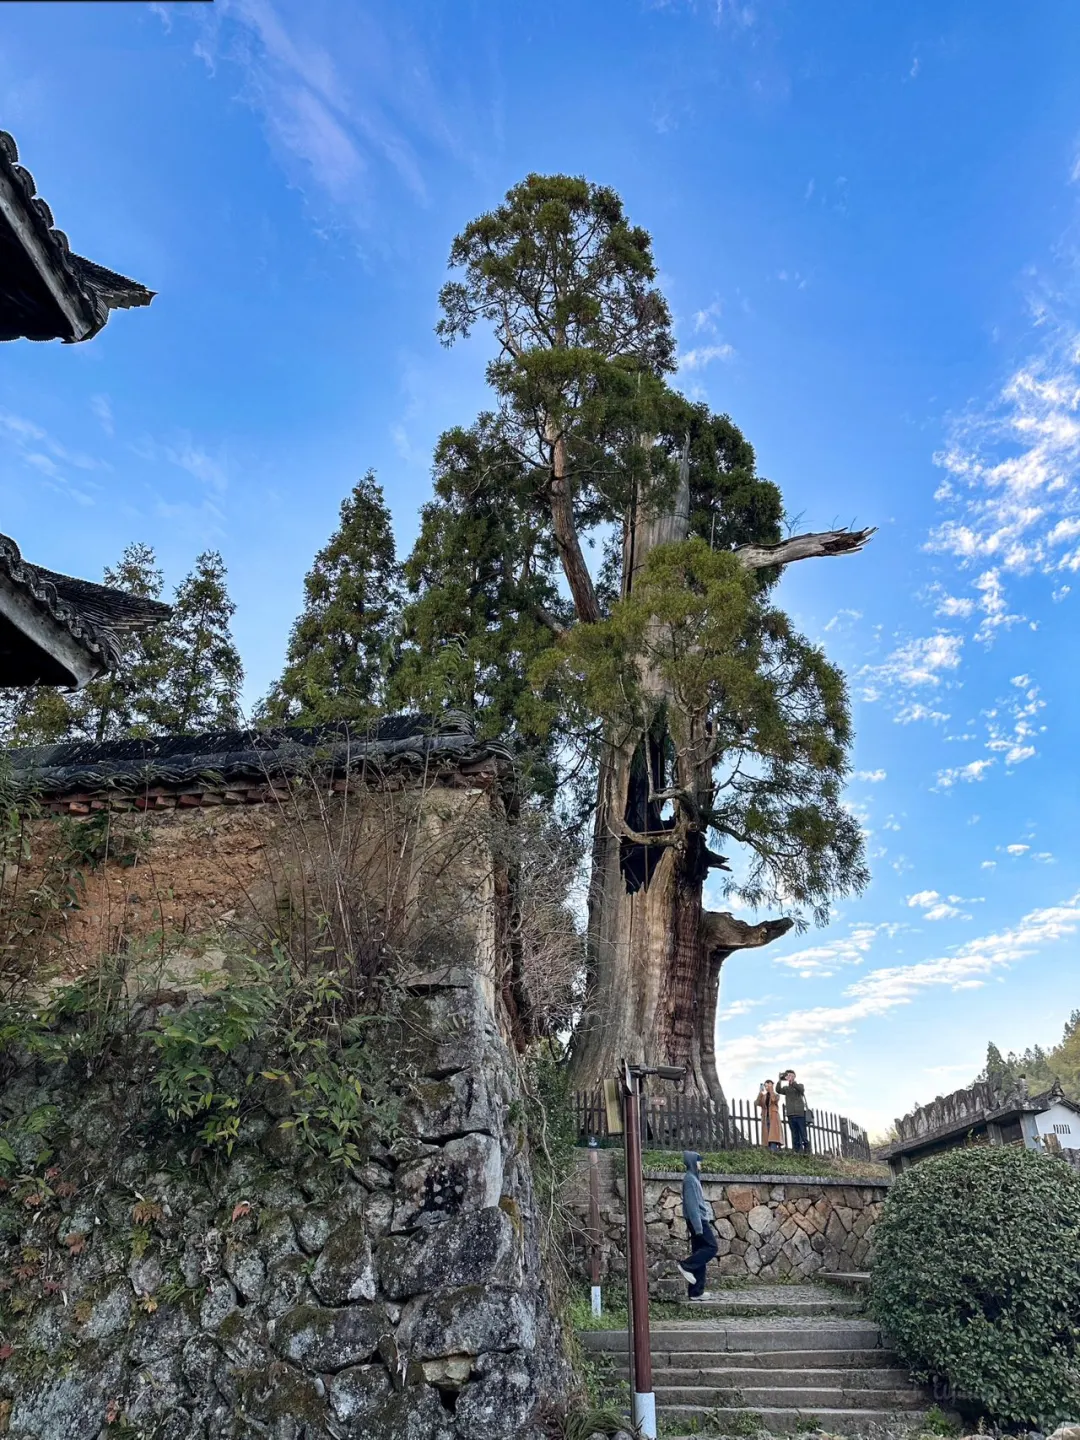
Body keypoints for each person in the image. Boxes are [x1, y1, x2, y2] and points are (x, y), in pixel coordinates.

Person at [676, 1150, 717, 1300]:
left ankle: (696, 1292)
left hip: (698, 1220)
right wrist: (698, 1226)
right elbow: (692, 1205)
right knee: (711, 1247)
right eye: (699, 1161)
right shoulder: (690, 1180)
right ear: (693, 1162)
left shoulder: (693, 1178)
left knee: (700, 1251)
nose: (701, 1164)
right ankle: (686, 1265)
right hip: (698, 1220)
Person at [777, 1069, 809, 1152]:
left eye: (791, 1075)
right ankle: (796, 1150)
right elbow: (778, 1090)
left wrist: (792, 1082)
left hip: (800, 1113)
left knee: (803, 1132)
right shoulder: (786, 1089)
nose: (789, 1077)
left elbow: (801, 1090)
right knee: (794, 1133)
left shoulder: (799, 1086)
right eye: (788, 1076)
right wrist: (779, 1080)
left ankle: (806, 1149)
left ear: (794, 1076)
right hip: (790, 1114)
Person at [755, 1078, 783, 1151]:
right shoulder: (763, 1096)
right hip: (765, 1117)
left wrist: (771, 1090)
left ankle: (774, 1149)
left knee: (773, 1134)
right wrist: (760, 1093)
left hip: (773, 1116)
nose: (767, 1086)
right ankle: (770, 1150)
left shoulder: (776, 1095)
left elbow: (774, 1100)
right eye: (766, 1085)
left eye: (769, 1085)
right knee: (767, 1133)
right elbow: (757, 1103)